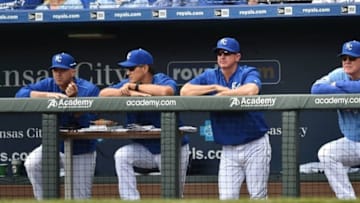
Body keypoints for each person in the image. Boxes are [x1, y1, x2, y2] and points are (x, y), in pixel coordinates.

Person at [180, 37, 271, 200]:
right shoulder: (211, 75)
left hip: (254, 144)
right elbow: (185, 91)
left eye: (227, 53)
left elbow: (251, 90)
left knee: (258, 196)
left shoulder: (247, 72)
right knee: (227, 197)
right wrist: (214, 87)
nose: (222, 57)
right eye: (219, 53)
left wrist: (224, 94)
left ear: (237, 57)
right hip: (229, 148)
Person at [99, 48, 190, 200]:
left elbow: (166, 92)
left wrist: (134, 88)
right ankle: (131, 200)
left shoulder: (160, 79)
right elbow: (103, 94)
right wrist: (132, 92)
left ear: (145, 68)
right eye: (127, 69)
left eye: (131, 68)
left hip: (172, 148)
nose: (128, 73)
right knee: (122, 156)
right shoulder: (127, 83)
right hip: (146, 148)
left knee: (173, 196)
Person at [15, 52, 99, 200]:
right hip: (55, 146)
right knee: (32, 164)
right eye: (55, 70)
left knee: (80, 197)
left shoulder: (88, 89)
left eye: (63, 70)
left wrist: (74, 101)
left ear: (73, 71)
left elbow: (90, 121)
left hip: (81, 149)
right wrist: (47, 96)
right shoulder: (48, 85)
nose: (58, 74)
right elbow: (20, 95)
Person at [311, 40, 360, 200]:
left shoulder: (338, 79)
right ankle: (347, 199)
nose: (347, 62)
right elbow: (316, 89)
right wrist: (345, 86)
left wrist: (337, 86)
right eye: (344, 58)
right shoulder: (339, 73)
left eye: (352, 58)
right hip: (352, 142)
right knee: (327, 153)